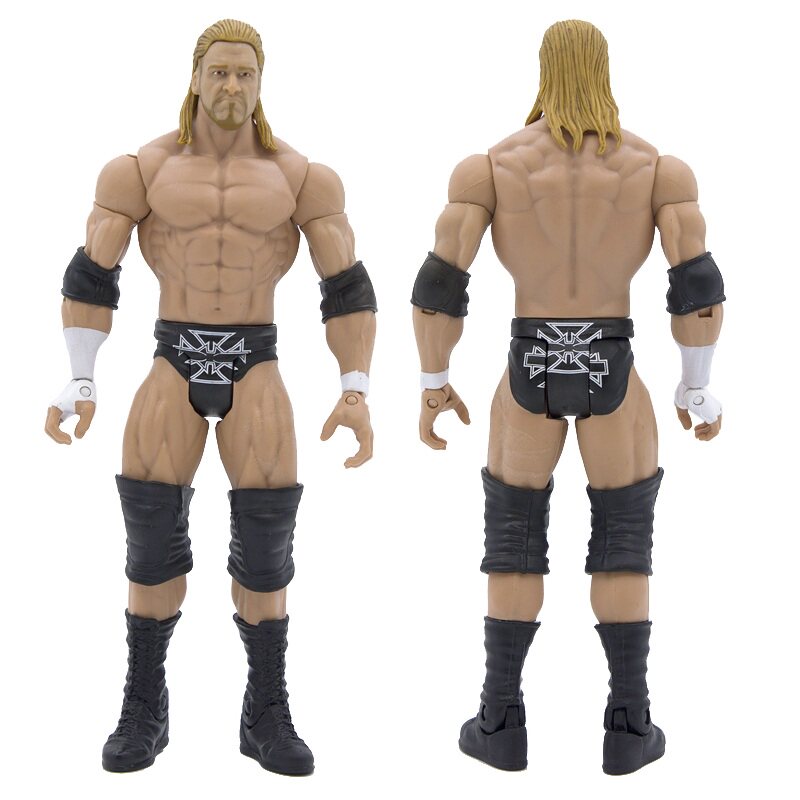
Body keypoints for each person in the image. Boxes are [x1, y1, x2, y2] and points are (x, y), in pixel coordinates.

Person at [45, 18, 376, 776]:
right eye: (219, 71)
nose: (231, 85)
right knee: (150, 544)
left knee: (266, 551)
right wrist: (81, 375)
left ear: (261, 83)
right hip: (173, 358)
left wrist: (354, 388)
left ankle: (266, 712)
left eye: (244, 73)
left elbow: (346, 285)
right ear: (195, 76)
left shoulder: (301, 177)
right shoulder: (141, 170)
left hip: (257, 362)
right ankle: (144, 705)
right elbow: (93, 271)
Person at [411, 19, 723, 775]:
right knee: (624, 543)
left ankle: (499, 722)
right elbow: (697, 286)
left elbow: (440, 283)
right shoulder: (655, 168)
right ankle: (629, 726)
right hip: (614, 360)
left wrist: (433, 382)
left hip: (530, 361)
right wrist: (697, 384)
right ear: (603, 70)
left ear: (544, 69)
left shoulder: (493, 167)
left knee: (513, 541)